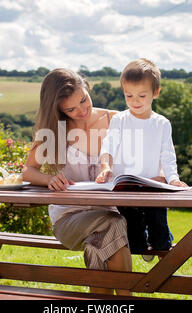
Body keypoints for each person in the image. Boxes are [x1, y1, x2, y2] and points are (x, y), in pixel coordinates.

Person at [21, 68, 132, 295]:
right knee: (114, 223)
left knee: (99, 242)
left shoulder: (115, 120)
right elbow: (28, 170)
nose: (82, 111)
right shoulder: (54, 130)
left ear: (87, 88)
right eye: (71, 109)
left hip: (108, 211)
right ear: (59, 109)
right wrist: (48, 178)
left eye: (84, 100)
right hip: (68, 217)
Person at [96, 58, 188, 258]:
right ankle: (142, 240)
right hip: (125, 190)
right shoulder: (119, 120)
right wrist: (105, 167)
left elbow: (167, 155)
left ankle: (160, 240)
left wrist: (172, 179)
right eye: (129, 95)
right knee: (135, 244)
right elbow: (108, 146)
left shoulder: (161, 124)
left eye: (141, 95)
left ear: (156, 93)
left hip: (153, 188)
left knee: (161, 241)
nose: (134, 101)